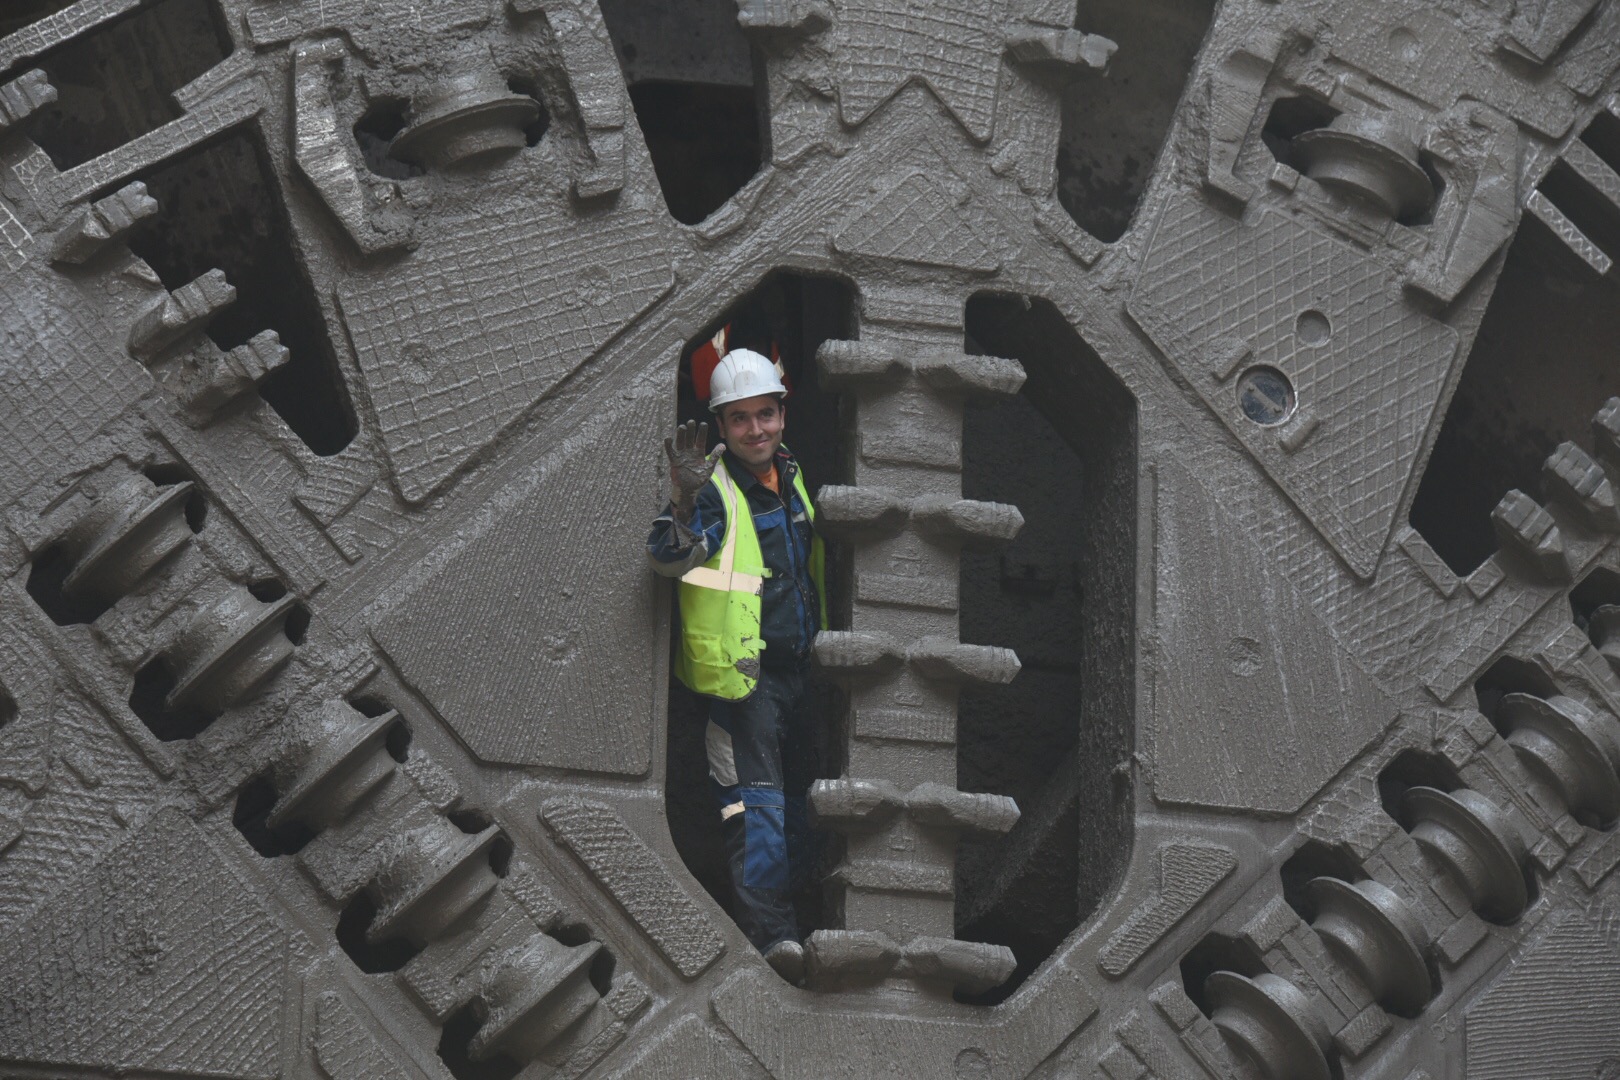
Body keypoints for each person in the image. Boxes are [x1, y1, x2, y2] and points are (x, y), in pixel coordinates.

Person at [647, 347, 826, 984]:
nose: (756, 430)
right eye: (741, 419)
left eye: (765, 414)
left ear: (783, 413)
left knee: (807, 808)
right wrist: (683, 504)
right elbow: (671, 559)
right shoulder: (716, 494)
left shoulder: (793, 476)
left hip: (799, 677)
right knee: (758, 817)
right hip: (741, 682)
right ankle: (772, 942)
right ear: (720, 427)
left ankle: (801, 928)